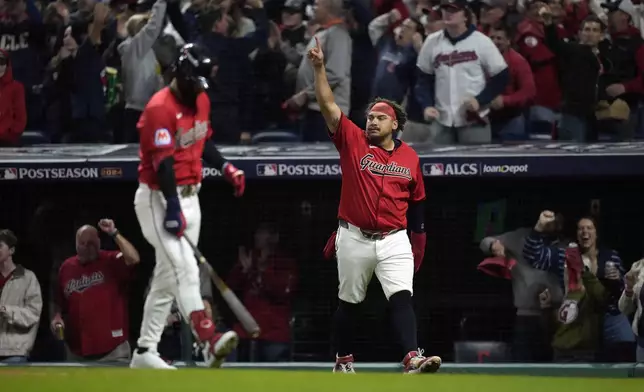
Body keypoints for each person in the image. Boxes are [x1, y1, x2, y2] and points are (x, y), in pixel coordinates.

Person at [310, 37, 440, 374]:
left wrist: (418, 242)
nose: (371, 122)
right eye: (369, 117)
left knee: (401, 297)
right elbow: (327, 105)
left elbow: (418, 203)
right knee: (350, 303)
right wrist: (319, 68)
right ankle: (343, 360)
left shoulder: (410, 156)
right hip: (354, 235)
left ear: (394, 124)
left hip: (395, 237)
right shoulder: (353, 142)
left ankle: (412, 358)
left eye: (379, 118)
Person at [131, 43, 246, 370]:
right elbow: (163, 165)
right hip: (158, 197)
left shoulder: (201, 99)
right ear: (180, 74)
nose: (197, 88)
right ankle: (208, 339)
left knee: (168, 276)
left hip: (191, 196)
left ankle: (144, 351)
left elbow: (202, 139)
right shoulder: (159, 108)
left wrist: (226, 167)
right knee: (184, 267)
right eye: (193, 81)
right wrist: (171, 207)